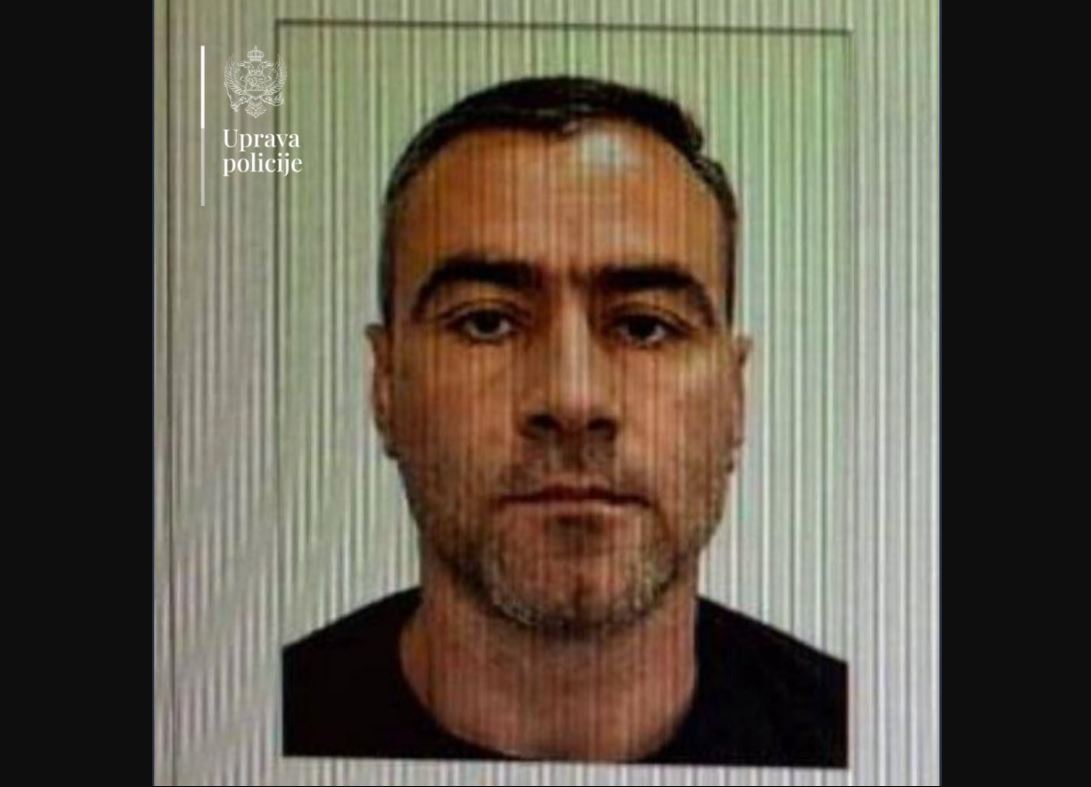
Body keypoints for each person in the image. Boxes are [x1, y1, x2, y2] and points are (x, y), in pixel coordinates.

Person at [282, 76, 847, 766]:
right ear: (385, 386)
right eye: (486, 322)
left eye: (644, 326)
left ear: (734, 397)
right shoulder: (248, 724)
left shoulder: (860, 733)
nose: (574, 400)